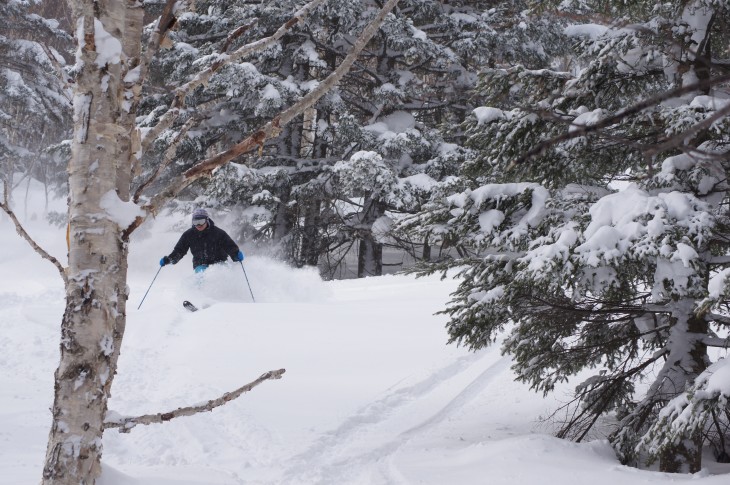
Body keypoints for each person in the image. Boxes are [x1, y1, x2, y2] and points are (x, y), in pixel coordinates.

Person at [160, 208, 244, 272]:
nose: (198, 225)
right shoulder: (188, 235)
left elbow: (229, 246)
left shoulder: (218, 233)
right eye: (196, 222)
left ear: (207, 220)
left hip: (220, 263)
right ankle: (201, 295)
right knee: (202, 278)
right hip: (200, 264)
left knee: (220, 277)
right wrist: (169, 259)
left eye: (201, 221)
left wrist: (235, 254)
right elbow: (179, 250)